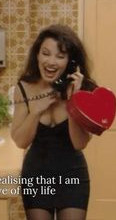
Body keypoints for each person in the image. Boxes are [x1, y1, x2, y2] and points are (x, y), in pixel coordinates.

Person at [11, 24, 97, 220]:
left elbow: (79, 143)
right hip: (36, 175)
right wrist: (36, 111)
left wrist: (74, 101)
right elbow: (20, 141)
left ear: (71, 61)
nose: (51, 61)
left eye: (60, 56)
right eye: (46, 53)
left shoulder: (84, 90)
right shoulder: (23, 87)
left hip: (73, 175)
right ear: (37, 56)